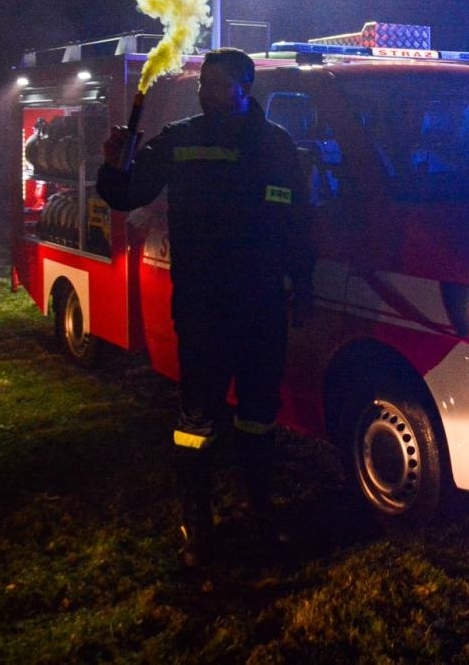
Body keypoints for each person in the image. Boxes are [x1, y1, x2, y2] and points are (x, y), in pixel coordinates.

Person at [98, 48, 313, 568]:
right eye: (202, 86)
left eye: (217, 85)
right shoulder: (179, 139)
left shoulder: (277, 145)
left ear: (245, 87)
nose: (205, 93)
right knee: (198, 421)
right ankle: (197, 524)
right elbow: (125, 195)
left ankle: (262, 512)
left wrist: (301, 287)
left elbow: (297, 224)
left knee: (259, 416)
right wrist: (114, 164)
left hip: (262, 306)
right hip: (203, 305)